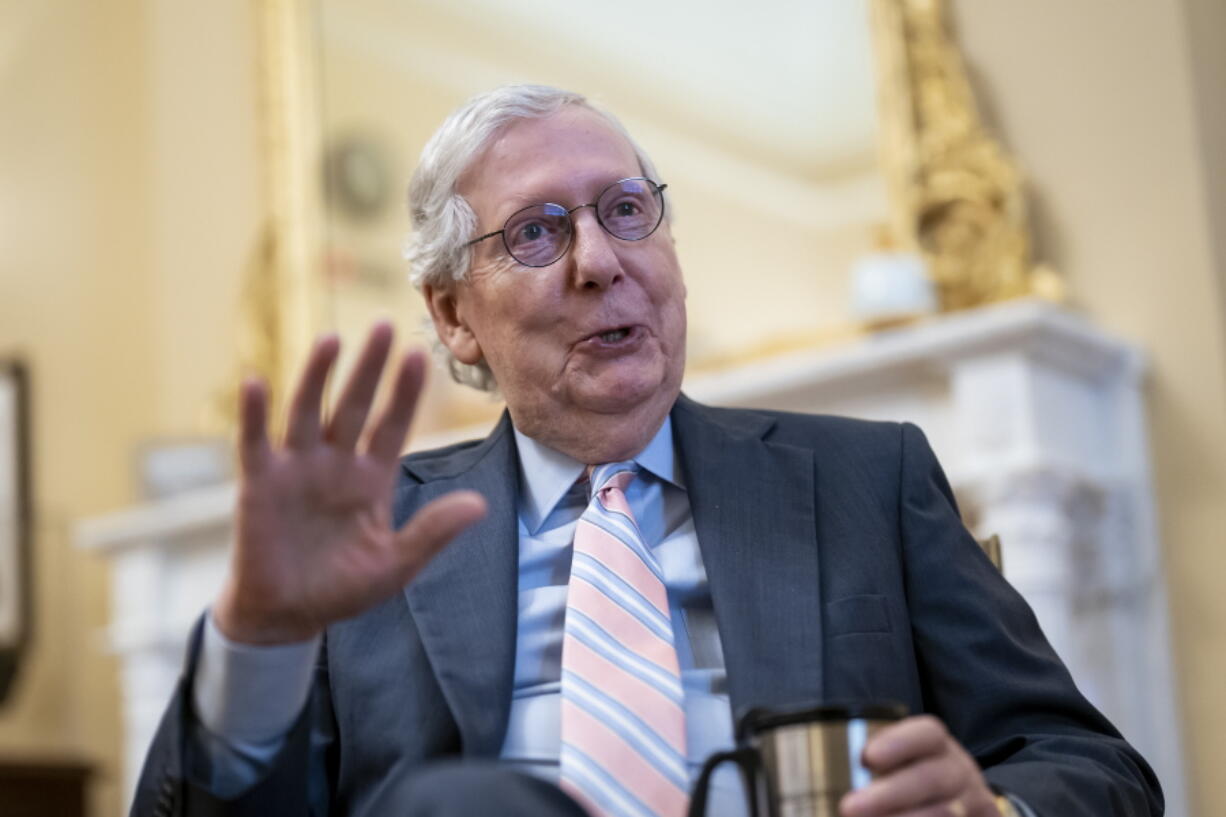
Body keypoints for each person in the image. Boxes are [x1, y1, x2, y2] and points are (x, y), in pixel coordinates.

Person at [130, 85, 1161, 817]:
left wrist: (987, 808)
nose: (599, 261)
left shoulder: (866, 480)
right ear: (451, 316)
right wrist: (255, 645)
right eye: (534, 232)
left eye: (626, 211)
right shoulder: (369, 536)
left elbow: (1089, 765)